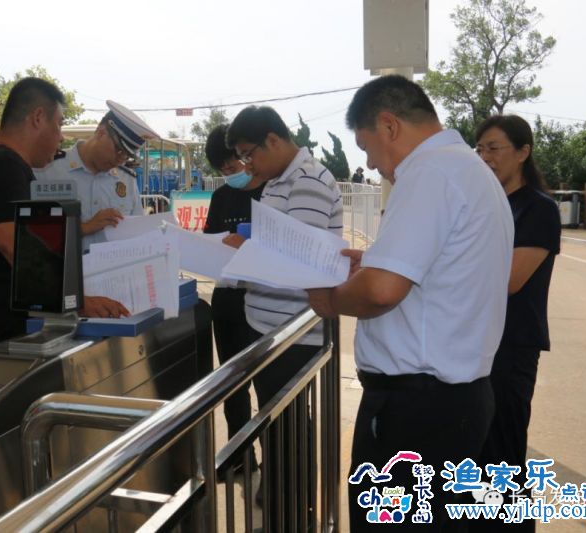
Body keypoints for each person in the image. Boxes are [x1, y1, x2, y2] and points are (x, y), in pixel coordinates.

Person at [307, 75, 514, 531]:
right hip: (453, 403)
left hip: (416, 412)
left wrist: (331, 298)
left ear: (389, 126)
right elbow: (439, 271)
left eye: (366, 147)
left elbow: (381, 291)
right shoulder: (468, 170)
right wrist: (375, 261)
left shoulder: (429, 173)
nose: (370, 163)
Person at [226, 105, 343, 527]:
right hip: (267, 326)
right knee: (276, 425)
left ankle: (294, 518)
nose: (247, 165)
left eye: (249, 153)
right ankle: (284, 512)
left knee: (288, 429)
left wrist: (244, 251)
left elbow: (298, 257)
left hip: (293, 331)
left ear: (273, 140)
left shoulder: (307, 181)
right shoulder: (277, 181)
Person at [0, 77, 128, 351]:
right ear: (38, 118)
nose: (61, 136)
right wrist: (77, 302)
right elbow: (11, 243)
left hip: (7, 333)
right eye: (59, 124)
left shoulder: (1, 163)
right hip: (5, 339)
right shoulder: (3, 164)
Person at [470, 115, 561, 533]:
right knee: (474, 454)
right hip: (474, 342)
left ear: (523, 152)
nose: (484, 156)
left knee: (502, 456)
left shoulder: (538, 208)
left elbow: (509, 280)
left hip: (511, 346)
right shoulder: (484, 205)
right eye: (479, 149)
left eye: (494, 148)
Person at [202, 124, 264, 477]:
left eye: (233, 164)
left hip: (263, 299)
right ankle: (240, 457)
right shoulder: (221, 198)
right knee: (232, 382)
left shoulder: (270, 192)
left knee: (267, 382)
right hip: (227, 298)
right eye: (223, 170)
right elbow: (210, 242)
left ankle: (276, 462)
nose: (230, 173)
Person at [33, 100, 159, 252]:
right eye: (119, 150)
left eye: (127, 156)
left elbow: (137, 236)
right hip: (62, 266)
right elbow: (30, 234)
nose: (120, 160)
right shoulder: (48, 169)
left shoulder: (126, 180)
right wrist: (84, 228)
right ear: (101, 132)